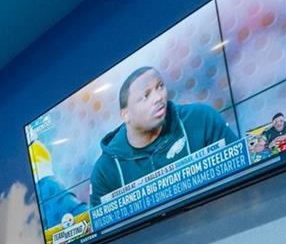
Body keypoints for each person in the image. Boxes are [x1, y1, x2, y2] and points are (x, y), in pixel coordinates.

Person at [89, 66, 238, 204]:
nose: (158, 97)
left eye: (160, 86)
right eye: (146, 95)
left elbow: (238, 173)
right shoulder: (105, 171)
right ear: (126, 115)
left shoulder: (202, 119)